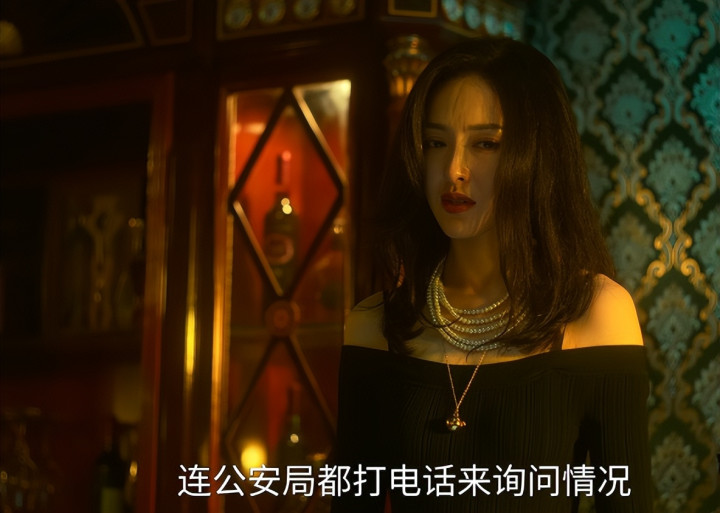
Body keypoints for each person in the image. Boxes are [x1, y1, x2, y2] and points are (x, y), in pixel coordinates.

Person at [331, 37, 653, 512]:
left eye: (485, 144)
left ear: (537, 155)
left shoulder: (595, 313)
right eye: (436, 143)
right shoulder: (374, 326)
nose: (454, 170)